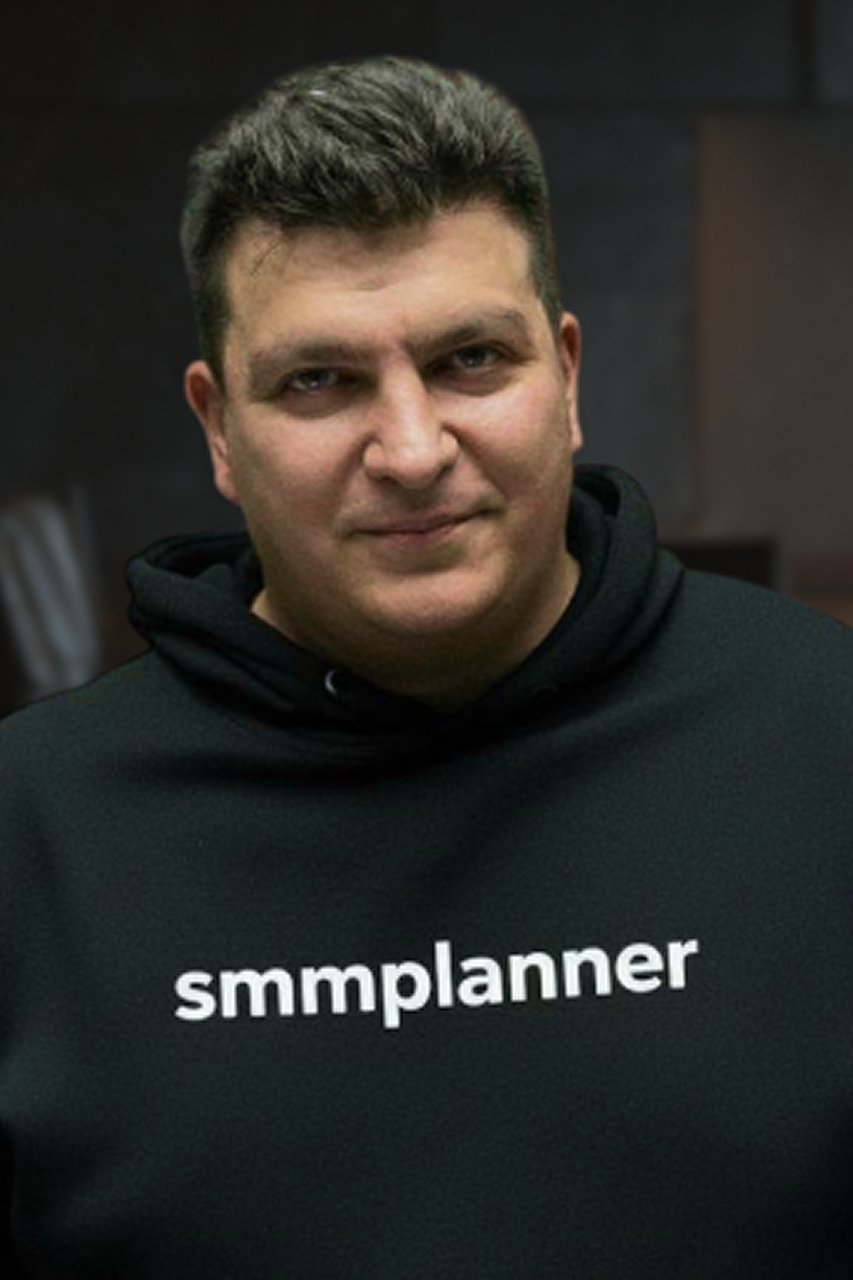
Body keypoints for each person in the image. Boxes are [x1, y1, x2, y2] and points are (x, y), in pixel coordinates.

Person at [2, 55, 853, 1280]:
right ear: (218, 428)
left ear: (566, 377)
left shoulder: (823, 736)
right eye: (319, 381)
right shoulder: (32, 831)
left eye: (470, 359)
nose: (410, 450)